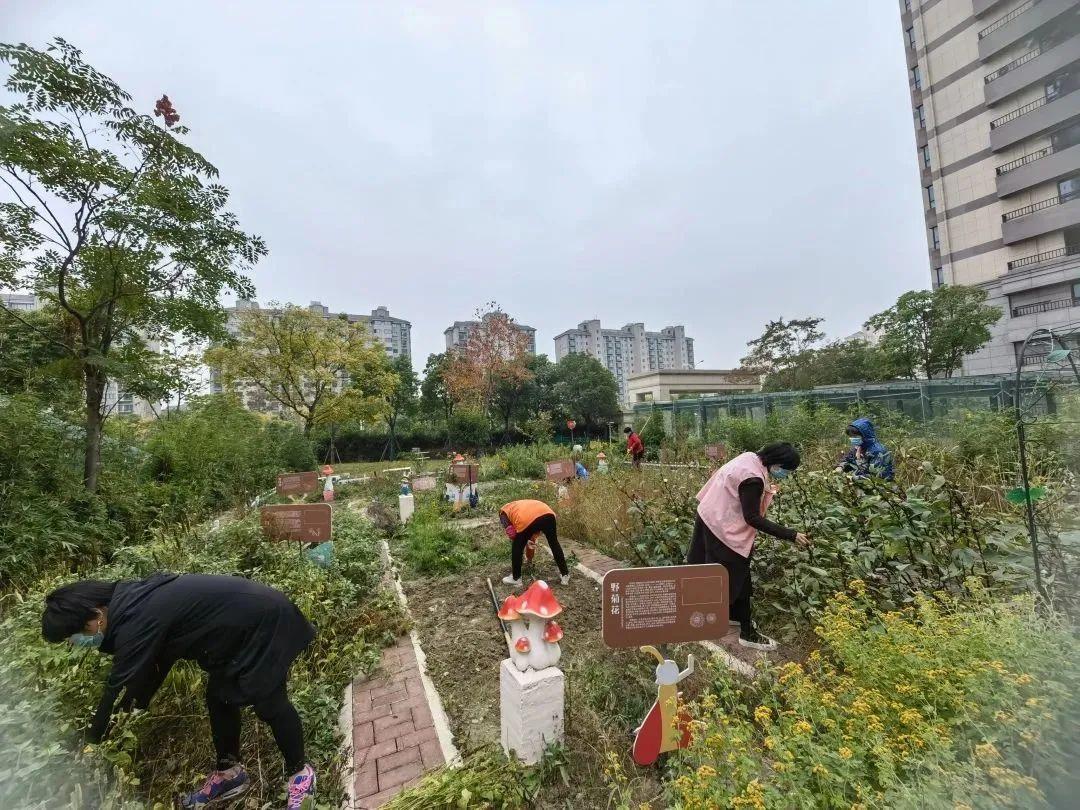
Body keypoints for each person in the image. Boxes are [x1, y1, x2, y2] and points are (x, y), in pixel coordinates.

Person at [41, 574, 318, 809]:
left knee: (269, 701)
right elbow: (155, 664)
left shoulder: (136, 619)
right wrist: (132, 707)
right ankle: (229, 774)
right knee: (219, 699)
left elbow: (121, 685)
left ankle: (300, 774)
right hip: (234, 632)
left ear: (95, 615)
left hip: (264, 622)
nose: (77, 642)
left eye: (74, 635)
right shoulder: (129, 603)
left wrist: (94, 740)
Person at [687, 442, 810, 652]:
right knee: (735, 573)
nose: (785, 475)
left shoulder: (750, 458)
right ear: (777, 464)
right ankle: (743, 631)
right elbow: (752, 517)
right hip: (722, 527)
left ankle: (731, 616)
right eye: (786, 471)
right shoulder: (753, 479)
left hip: (711, 515)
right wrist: (791, 535)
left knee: (723, 573)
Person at [499, 499, 570, 587]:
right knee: (554, 543)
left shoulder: (503, 513)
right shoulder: (518, 505)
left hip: (528, 518)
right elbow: (532, 530)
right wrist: (526, 541)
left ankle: (516, 578)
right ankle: (565, 575)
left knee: (516, 546)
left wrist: (521, 542)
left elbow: (512, 533)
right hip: (548, 514)